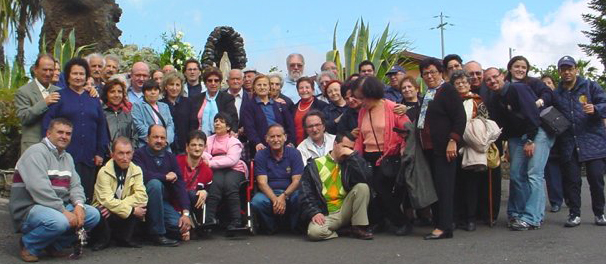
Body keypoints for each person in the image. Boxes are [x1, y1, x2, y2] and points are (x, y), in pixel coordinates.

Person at [9, 118, 101, 262]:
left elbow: (75, 185)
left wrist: (79, 205)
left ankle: (53, 245)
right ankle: (29, 244)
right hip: (29, 207)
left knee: (92, 215)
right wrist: (63, 211)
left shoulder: (67, 157)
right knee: (60, 221)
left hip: (55, 207)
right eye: (60, 132)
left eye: (68, 133)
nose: (64, 136)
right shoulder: (35, 153)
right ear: (48, 133)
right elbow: (39, 189)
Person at [484, 67, 554, 231]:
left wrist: (530, 139)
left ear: (503, 76)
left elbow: (532, 114)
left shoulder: (517, 88)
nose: (492, 81)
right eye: (488, 79)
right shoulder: (496, 98)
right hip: (517, 137)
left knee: (534, 174)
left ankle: (532, 218)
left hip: (537, 132)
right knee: (516, 175)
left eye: (495, 77)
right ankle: (518, 213)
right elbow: (503, 126)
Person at [352, 76, 413, 236]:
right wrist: (356, 156)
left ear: (372, 93)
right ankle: (381, 221)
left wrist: (402, 148)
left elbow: (407, 130)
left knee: (381, 188)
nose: (360, 102)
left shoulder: (393, 108)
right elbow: (360, 135)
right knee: (376, 191)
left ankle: (401, 221)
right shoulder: (362, 112)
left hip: (388, 156)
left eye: (362, 98)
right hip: (368, 156)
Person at [43, 57, 109, 203]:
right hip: (63, 156)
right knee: (63, 196)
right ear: (67, 76)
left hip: (89, 157)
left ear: (86, 76)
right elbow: (47, 126)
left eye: (82, 74)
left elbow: (101, 127)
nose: (78, 77)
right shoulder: (59, 97)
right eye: (75, 74)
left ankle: (83, 224)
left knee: (85, 196)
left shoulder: (93, 99)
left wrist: (99, 152)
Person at [553, 56, 606, 227]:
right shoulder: (557, 93)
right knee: (572, 181)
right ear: (559, 71)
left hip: (592, 140)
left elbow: (604, 102)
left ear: (576, 69)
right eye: (563, 69)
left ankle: (599, 213)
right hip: (569, 142)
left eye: (570, 68)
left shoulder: (590, 86)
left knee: (596, 179)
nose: (567, 72)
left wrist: (596, 108)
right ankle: (574, 214)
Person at [417, 57, 466, 239]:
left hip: (444, 147)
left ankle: (445, 227)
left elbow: (460, 118)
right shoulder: (429, 92)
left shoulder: (447, 90)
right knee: (435, 187)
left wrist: (453, 140)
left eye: (433, 72)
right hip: (429, 148)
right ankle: (439, 222)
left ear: (441, 73)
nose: (429, 76)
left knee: (444, 187)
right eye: (425, 73)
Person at [301, 132, 373, 240]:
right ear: (335, 144)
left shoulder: (350, 162)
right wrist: (314, 212)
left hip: (345, 208)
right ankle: (342, 231)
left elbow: (366, 178)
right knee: (314, 233)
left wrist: (353, 156)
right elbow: (305, 192)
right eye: (344, 146)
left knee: (363, 187)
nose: (347, 151)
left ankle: (359, 227)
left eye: (350, 148)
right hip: (327, 213)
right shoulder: (314, 165)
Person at [133, 125, 192, 246]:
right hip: (141, 201)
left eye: (162, 137)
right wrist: (165, 177)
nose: (159, 140)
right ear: (147, 138)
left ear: (166, 141)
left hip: (162, 204)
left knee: (181, 228)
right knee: (155, 184)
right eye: (155, 137)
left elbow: (180, 184)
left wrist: (185, 213)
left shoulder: (170, 157)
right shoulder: (138, 155)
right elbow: (143, 175)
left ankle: (149, 230)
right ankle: (157, 234)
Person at [91, 137, 148, 251]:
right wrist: (131, 210)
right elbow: (107, 200)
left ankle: (125, 239)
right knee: (101, 210)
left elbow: (142, 197)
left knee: (140, 206)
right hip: (104, 210)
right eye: (121, 153)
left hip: (116, 208)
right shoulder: (104, 172)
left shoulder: (137, 170)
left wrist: (118, 206)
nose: (125, 158)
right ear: (112, 155)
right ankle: (103, 240)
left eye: (128, 153)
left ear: (133, 153)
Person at [450, 70, 489, 232]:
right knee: (454, 184)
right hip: (452, 146)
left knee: (471, 184)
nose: (461, 85)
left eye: (464, 82)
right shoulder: (449, 101)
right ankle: (455, 217)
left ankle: (470, 218)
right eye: (457, 83)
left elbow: (485, 121)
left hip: (471, 146)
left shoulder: (477, 101)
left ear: (469, 84)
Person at [251, 124, 304, 234]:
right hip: (269, 193)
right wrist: (276, 200)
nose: (276, 140)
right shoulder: (261, 155)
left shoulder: (294, 153)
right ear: (266, 139)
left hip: (290, 192)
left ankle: (293, 227)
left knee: (300, 197)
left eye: (279, 136)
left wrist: (283, 196)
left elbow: (297, 181)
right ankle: (270, 228)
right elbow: (261, 183)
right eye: (272, 137)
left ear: (285, 137)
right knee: (257, 201)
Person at [202, 113, 248, 230]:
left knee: (230, 184)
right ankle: (209, 219)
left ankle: (236, 220)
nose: (217, 123)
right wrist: (210, 159)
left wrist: (212, 161)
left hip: (235, 169)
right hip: (217, 170)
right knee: (214, 184)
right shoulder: (208, 140)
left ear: (228, 127)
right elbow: (204, 154)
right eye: (216, 121)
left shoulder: (233, 141)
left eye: (221, 121)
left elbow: (231, 160)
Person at [15, 54, 61, 154]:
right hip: (32, 147)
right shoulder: (24, 91)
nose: (48, 73)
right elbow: (24, 117)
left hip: (55, 149)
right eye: (45, 70)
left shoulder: (59, 91)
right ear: (36, 70)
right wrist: (45, 103)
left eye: (51, 70)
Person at [242, 75, 296, 152]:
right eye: (259, 85)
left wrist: (290, 142)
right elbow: (249, 128)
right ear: (254, 87)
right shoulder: (249, 107)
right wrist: (257, 143)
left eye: (265, 85)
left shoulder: (279, 105)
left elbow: (290, 126)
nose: (262, 87)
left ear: (269, 87)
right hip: (262, 148)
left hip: (282, 147)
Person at [176, 130, 213, 229]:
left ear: (205, 148)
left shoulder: (208, 171)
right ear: (187, 147)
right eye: (193, 145)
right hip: (174, 205)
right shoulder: (176, 162)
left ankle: (195, 224)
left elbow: (208, 191)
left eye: (201, 145)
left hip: (192, 207)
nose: (197, 148)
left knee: (194, 194)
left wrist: (205, 191)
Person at [541, 74, 564, 212]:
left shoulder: (560, 99)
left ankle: (569, 197)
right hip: (549, 141)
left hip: (563, 140)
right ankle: (556, 201)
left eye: (549, 82)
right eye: (544, 83)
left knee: (568, 172)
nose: (547, 85)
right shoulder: (539, 101)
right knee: (551, 172)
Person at [190, 68, 238, 136]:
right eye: (210, 81)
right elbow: (191, 122)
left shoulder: (227, 98)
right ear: (205, 83)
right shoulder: (196, 99)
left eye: (216, 80)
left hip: (221, 138)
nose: (213, 83)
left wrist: (232, 131)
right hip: (199, 139)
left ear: (220, 82)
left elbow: (233, 119)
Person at [131, 80, 175, 148]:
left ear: (159, 92)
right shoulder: (138, 106)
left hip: (165, 147)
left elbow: (170, 125)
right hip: (145, 146)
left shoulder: (165, 106)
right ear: (144, 92)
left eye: (155, 89)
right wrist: (154, 140)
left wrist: (165, 141)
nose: (153, 92)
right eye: (149, 90)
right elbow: (138, 126)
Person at [160, 72, 192, 154]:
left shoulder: (188, 102)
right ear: (166, 86)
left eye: (177, 85)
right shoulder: (159, 104)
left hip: (184, 148)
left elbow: (192, 125)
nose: (174, 88)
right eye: (171, 84)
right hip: (165, 147)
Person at [101, 79, 135, 151]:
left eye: (119, 92)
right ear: (106, 94)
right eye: (112, 92)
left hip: (125, 155)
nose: (116, 95)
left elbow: (134, 136)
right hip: (106, 156)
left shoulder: (127, 113)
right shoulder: (101, 113)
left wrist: (130, 151)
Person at [293, 76, 329, 144]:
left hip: (316, 144)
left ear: (313, 90)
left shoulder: (322, 106)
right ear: (297, 91)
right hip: (297, 145)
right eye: (301, 88)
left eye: (307, 87)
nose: (304, 90)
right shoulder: (293, 108)